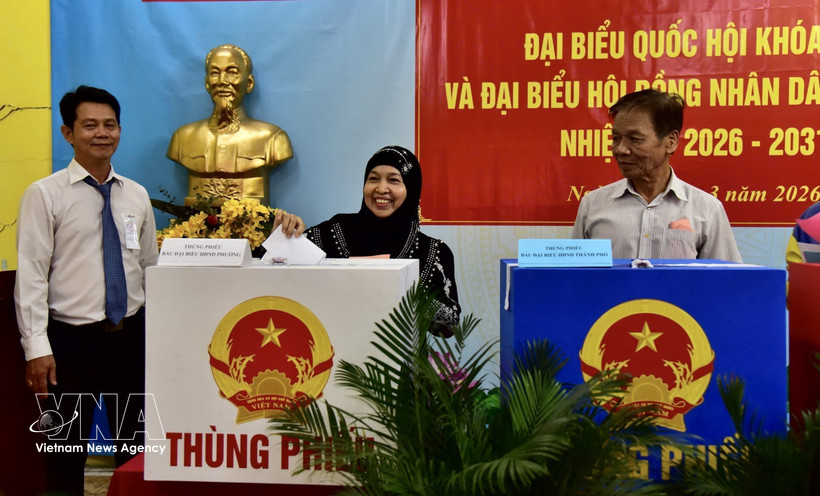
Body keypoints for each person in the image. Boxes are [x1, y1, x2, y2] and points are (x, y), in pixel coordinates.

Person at [14, 86, 157, 493]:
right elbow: (32, 276)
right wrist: (37, 348)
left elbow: (148, 266)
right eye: (89, 125)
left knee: (137, 450)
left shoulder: (136, 194)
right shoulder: (45, 195)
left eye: (109, 125)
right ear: (68, 132)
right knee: (66, 453)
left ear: (120, 130)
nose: (102, 133)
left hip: (130, 339)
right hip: (70, 344)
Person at [571, 89, 742, 262]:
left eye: (635, 139)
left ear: (671, 141)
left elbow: (727, 281)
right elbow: (574, 278)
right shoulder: (592, 205)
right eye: (616, 138)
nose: (621, 149)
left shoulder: (707, 210)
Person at [305, 146, 461, 336]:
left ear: (411, 189)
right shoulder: (333, 232)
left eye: (394, 180)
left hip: (401, 362)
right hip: (336, 360)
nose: (381, 189)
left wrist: (406, 291)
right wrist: (285, 234)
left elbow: (448, 327)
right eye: (373, 179)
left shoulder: (432, 251)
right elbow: (282, 267)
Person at [167, 44, 293, 206]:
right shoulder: (182, 138)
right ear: (207, 83)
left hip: (254, 227)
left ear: (249, 83)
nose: (222, 81)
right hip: (194, 226)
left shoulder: (272, 138)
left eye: (232, 72)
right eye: (214, 73)